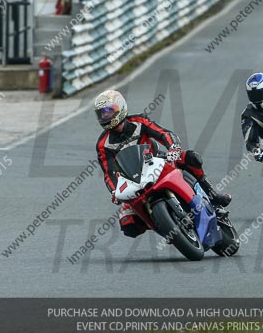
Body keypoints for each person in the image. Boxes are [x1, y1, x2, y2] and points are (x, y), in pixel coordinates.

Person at [94, 90, 231, 238]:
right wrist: (115, 192)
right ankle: (162, 222)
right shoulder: (103, 144)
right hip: (133, 180)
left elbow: (164, 133)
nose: (105, 116)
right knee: (128, 225)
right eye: (101, 113)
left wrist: (173, 148)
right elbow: (109, 172)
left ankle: (212, 195)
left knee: (191, 158)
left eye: (108, 111)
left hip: (158, 163)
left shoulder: (139, 121)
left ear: (120, 107)